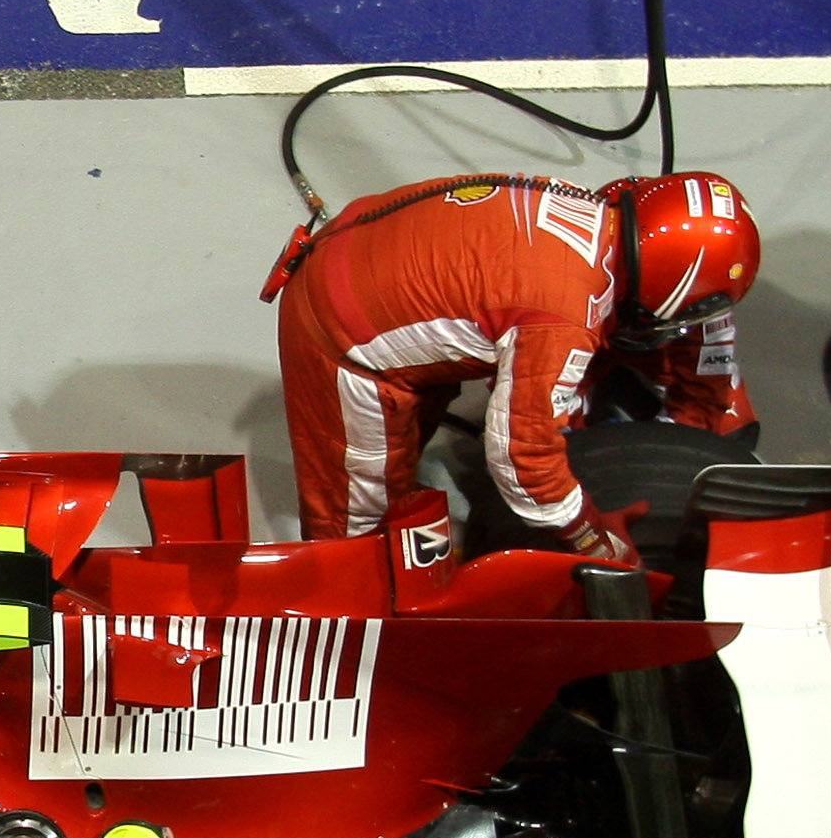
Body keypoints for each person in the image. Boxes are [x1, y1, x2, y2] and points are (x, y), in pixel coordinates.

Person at [265, 171, 759, 554]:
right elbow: (524, 463)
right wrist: (596, 539)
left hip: (372, 248)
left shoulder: (596, 208)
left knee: (421, 412)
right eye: (698, 309)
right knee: (357, 526)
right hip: (339, 331)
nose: (699, 323)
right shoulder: (564, 315)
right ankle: (355, 625)